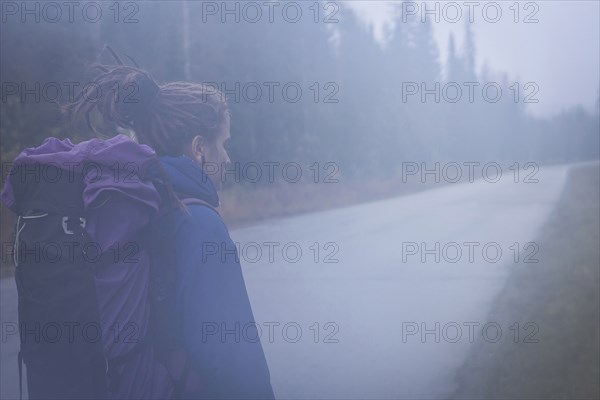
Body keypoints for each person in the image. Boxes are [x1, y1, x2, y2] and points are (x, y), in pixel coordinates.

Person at [66, 61, 275, 399]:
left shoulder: (137, 207)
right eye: (223, 143)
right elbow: (230, 357)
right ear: (198, 148)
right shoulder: (199, 223)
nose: (227, 158)